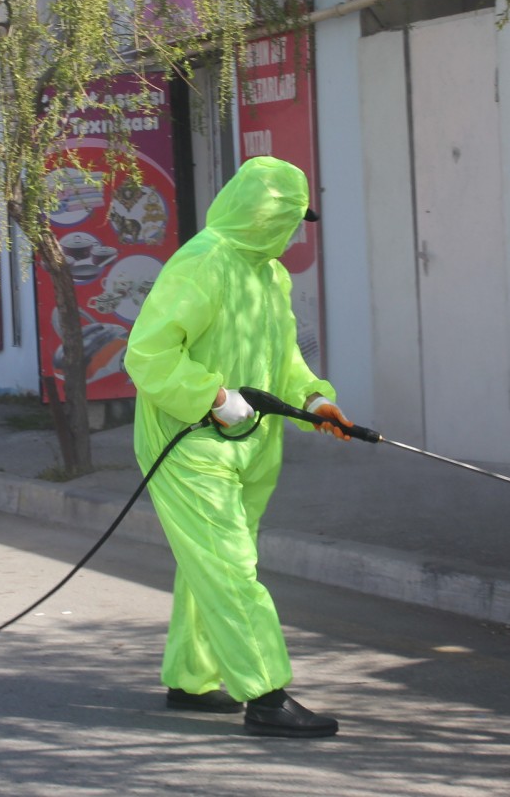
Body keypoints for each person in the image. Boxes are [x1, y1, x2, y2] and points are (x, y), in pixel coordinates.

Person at [123, 155, 355, 739]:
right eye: (291, 218)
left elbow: (284, 359)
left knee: (214, 564)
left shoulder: (271, 275)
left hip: (250, 447)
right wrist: (212, 396)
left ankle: (191, 677)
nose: (296, 231)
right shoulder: (202, 264)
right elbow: (148, 355)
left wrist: (313, 401)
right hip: (190, 444)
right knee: (231, 567)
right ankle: (267, 694)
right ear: (264, 215)